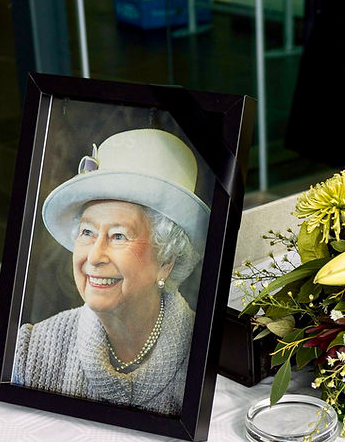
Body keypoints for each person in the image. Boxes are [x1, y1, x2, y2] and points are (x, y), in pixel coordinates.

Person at [12, 128, 208, 415]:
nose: (94, 256)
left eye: (118, 236)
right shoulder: (32, 351)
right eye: (87, 232)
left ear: (166, 260)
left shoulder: (202, 353)